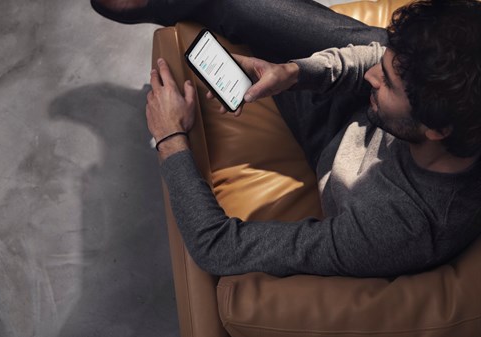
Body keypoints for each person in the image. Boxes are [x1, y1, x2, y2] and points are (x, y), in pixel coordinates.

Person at [91, 0, 481, 277]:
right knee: (238, 7)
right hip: (366, 115)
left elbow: (219, 247)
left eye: (388, 83)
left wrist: (170, 139)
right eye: (385, 67)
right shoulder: (449, 93)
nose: (371, 76)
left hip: (328, 139)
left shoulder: (397, 227)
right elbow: (375, 54)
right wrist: (294, 71)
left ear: (436, 130)